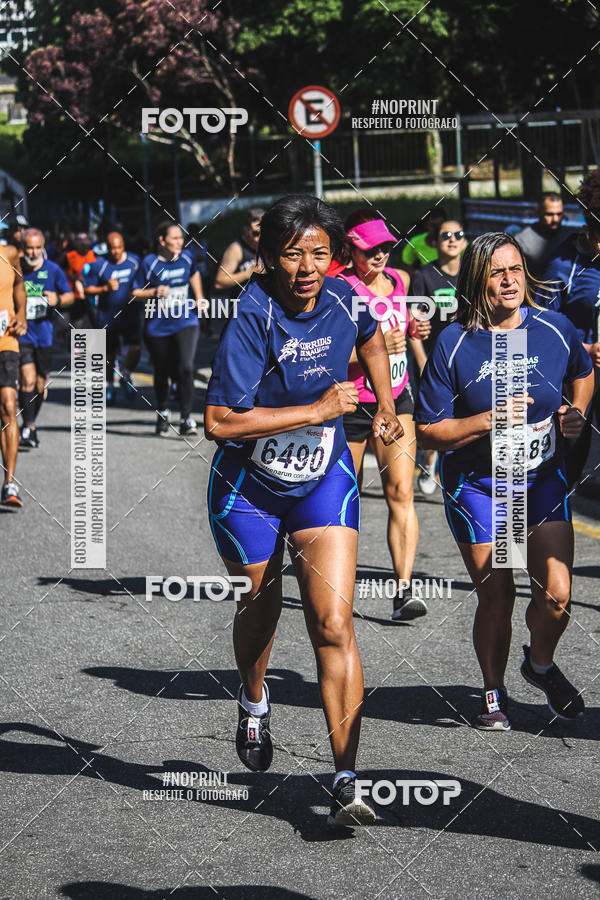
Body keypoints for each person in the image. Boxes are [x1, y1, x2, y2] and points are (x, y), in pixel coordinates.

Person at [204, 195, 401, 826]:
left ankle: (346, 777)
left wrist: (388, 405)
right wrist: (314, 411)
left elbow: (373, 339)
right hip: (249, 488)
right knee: (259, 606)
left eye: (320, 252)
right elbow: (219, 422)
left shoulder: (347, 297)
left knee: (334, 624)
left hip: (323, 476)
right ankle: (255, 697)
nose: (308, 266)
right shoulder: (252, 315)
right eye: (293, 253)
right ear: (268, 257)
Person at [415, 232, 594, 731]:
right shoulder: (454, 342)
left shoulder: (554, 328)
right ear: (478, 281)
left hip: (538, 480)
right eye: (497, 273)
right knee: (498, 594)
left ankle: (538, 665)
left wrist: (575, 411)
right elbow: (428, 431)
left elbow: (583, 372)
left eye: (515, 269)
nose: (510, 280)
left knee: (556, 595)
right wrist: (485, 420)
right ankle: (493, 690)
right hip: (478, 484)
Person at [338, 210, 430, 621]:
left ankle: (403, 590)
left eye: (385, 247)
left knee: (401, 493)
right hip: (354, 405)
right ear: (351, 249)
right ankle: (335, 586)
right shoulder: (340, 288)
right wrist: (371, 351)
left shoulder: (400, 281)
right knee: (344, 499)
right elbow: (331, 350)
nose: (379, 254)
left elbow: (406, 328)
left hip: (396, 400)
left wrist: (414, 331)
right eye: (369, 248)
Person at [538, 170, 600, 488]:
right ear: (589, 230)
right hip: (578, 376)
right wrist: (587, 348)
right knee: (570, 464)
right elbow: (541, 328)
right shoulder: (564, 265)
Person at [410, 220, 467, 495]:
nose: (453, 239)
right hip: (433, 358)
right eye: (446, 235)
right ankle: (428, 460)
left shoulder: (472, 274)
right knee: (433, 418)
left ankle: (459, 472)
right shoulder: (423, 276)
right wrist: (423, 364)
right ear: (435, 242)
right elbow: (414, 328)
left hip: (465, 358)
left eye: (459, 235)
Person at [133, 222, 204, 436]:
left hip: (185, 321)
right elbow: (134, 292)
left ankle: (186, 418)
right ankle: (163, 410)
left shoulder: (187, 257)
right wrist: (153, 292)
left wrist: (199, 298)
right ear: (161, 241)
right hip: (158, 327)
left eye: (181, 238)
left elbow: (194, 274)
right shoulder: (149, 263)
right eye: (174, 238)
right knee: (162, 371)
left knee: (186, 367)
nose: (179, 242)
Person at [18, 229, 73, 447]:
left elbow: (70, 297)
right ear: (23, 248)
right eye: (29, 248)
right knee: (27, 380)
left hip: (44, 335)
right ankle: (28, 426)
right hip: (22, 334)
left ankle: (31, 423)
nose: (33, 252)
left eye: (37, 247)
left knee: (40, 386)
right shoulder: (16, 268)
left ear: (43, 247)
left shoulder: (53, 269)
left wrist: (58, 298)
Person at [82, 232, 141, 405]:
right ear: (107, 248)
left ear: (124, 245)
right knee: (109, 354)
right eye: (112, 248)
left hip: (131, 314)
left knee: (136, 348)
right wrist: (105, 288)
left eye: (119, 248)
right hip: (108, 316)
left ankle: (127, 374)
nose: (115, 252)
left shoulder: (135, 261)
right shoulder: (99, 265)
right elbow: (87, 289)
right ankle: (109, 385)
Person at [0, 241, 27, 506]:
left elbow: (20, 284)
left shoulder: (8, 253)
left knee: (9, 406)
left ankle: (10, 483)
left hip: (6, 342)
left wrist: (21, 313)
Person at [515, 193, 569, 278]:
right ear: (538, 213)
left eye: (559, 214)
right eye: (549, 214)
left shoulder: (569, 237)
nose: (555, 219)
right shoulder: (522, 241)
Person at [213, 207, 264, 293]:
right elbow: (219, 281)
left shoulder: (268, 244)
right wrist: (247, 274)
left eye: (263, 233)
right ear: (246, 230)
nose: (258, 238)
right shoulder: (236, 249)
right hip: (243, 303)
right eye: (255, 233)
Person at [63, 232, 96, 328]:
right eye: (79, 240)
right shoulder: (69, 256)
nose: (82, 243)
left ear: (89, 241)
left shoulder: (94, 254)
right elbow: (61, 271)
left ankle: (96, 343)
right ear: (75, 243)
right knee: (77, 326)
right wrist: (72, 277)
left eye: (85, 239)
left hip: (92, 297)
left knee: (94, 325)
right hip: (76, 298)